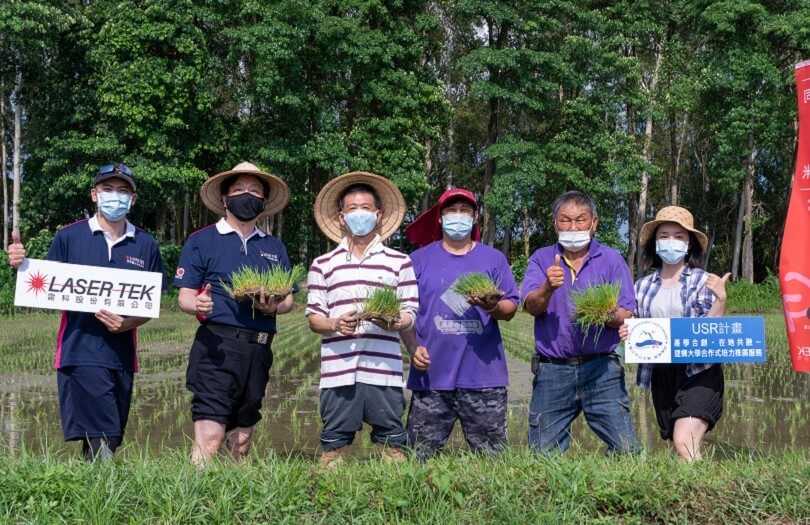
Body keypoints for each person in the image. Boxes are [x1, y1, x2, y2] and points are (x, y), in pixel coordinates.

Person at [7, 163, 165, 461]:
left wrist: (127, 322)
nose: (114, 196)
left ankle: (91, 490)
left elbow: (151, 303)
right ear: (94, 195)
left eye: (122, 191)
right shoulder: (70, 237)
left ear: (133, 199)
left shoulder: (146, 245)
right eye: (107, 189)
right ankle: (105, 495)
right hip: (79, 349)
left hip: (122, 355)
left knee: (111, 434)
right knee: (102, 433)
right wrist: (21, 267)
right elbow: (45, 288)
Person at [174, 162, 294, 465]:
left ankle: (234, 502)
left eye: (255, 191)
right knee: (210, 439)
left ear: (263, 201)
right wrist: (198, 305)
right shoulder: (202, 240)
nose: (247, 195)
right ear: (225, 198)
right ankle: (192, 501)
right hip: (217, 346)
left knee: (241, 442)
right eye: (239, 189)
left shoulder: (273, 247)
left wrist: (273, 306)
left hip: (259, 348)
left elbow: (288, 300)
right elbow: (185, 296)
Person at [306, 171, 418, 467]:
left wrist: (395, 322)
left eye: (366, 208)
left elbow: (410, 313)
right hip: (338, 372)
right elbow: (314, 319)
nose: (360, 215)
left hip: (384, 372)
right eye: (352, 209)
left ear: (379, 215)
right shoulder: (322, 265)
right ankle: (329, 503)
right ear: (341, 217)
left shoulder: (399, 262)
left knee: (393, 447)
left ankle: (397, 506)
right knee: (333, 449)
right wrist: (335, 324)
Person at [521, 190, 640, 454]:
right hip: (553, 370)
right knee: (541, 455)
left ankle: (605, 490)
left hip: (602, 369)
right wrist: (547, 287)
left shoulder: (611, 259)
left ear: (594, 223)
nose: (573, 227)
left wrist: (609, 314)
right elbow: (531, 305)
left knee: (627, 450)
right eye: (565, 220)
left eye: (580, 219)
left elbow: (628, 312)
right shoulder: (542, 258)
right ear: (555, 224)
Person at [403, 188, 518, 459]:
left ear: (475, 217)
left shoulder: (493, 259)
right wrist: (411, 348)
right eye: (451, 211)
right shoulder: (417, 260)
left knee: (494, 461)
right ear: (440, 218)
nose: (458, 216)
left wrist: (492, 305)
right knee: (418, 459)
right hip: (431, 376)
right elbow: (404, 312)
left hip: (484, 379)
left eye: (465, 211)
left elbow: (511, 307)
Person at [619, 206, 729, 460]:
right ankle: (693, 494)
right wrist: (628, 330)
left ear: (689, 244)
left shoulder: (703, 281)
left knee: (684, 441)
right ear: (655, 243)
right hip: (662, 372)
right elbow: (636, 325)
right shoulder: (642, 286)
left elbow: (710, 331)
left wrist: (720, 300)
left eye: (679, 237)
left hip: (699, 371)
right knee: (678, 442)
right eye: (664, 235)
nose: (671, 242)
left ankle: (701, 495)